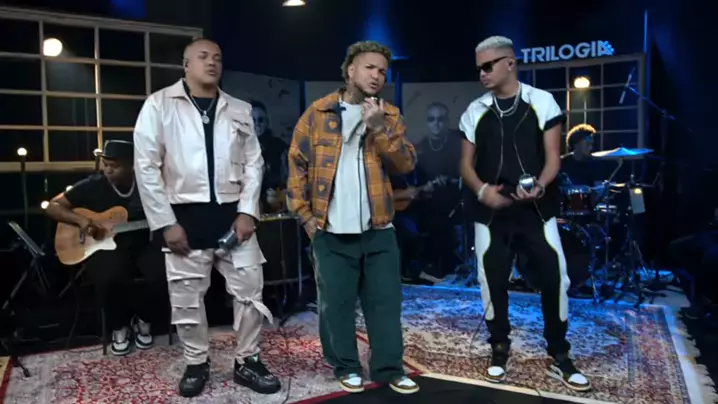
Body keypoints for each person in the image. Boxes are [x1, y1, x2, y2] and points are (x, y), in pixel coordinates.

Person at [133, 38, 280, 398]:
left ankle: (248, 361)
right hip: (184, 217)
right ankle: (196, 363)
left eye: (217, 57)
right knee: (186, 301)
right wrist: (165, 222)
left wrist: (248, 211)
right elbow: (146, 166)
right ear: (186, 64)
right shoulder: (159, 104)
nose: (212, 62)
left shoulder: (239, 108)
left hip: (234, 218)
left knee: (250, 293)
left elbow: (254, 163)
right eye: (202, 57)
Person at [458, 36, 591, 391]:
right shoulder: (474, 110)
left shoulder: (541, 101)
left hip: (535, 208)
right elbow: (465, 165)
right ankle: (499, 348)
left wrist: (540, 185)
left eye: (488, 66)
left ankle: (559, 353)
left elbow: (553, 158)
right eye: (479, 68)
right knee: (491, 279)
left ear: (510, 63)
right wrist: (483, 191)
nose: (482, 73)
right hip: (491, 211)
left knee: (556, 276)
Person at [286, 40, 419, 395]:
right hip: (329, 229)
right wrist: (305, 218)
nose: (377, 76)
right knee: (336, 305)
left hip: (379, 228)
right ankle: (345, 365)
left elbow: (406, 163)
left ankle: (389, 368)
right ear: (350, 71)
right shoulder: (318, 113)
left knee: (385, 303)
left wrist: (379, 128)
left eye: (382, 71)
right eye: (369, 68)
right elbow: (296, 166)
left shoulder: (389, 115)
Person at [44, 140, 166, 356]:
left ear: (131, 165)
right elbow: (52, 206)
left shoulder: (146, 186)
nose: (108, 170)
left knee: (161, 273)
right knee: (108, 277)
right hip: (104, 247)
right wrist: (81, 220)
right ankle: (119, 326)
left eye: (115, 166)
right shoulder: (93, 185)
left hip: (141, 244)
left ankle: (144, 319)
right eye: (106, 164)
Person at [251, 101, 289, 214]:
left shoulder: (279, 147)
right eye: (253, 120)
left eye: (261, 120)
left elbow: (289, 177)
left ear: (267, 122)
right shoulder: (240, 147)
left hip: (275, 204)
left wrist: (283, 195)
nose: (257, 124)